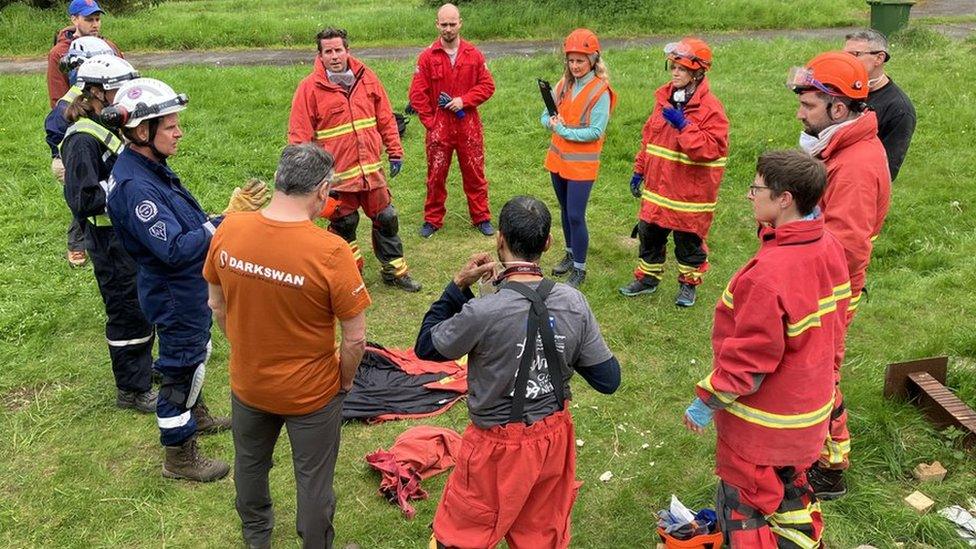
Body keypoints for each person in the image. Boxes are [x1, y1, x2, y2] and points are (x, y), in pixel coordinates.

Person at [415, 195, 621, 548]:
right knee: (541, 535)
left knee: (462, 535)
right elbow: (608, 379)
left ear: (500, 239)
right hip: (553, 439)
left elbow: (427, 346)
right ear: (548, 244)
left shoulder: (483, 311)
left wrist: (457, 286)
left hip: (496, 449)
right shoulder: (574, 302)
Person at [205, 144, 370, 549]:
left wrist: (246, 347)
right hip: (310, 394)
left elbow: (215, 302)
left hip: (249, 383)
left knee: (250, 465)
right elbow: (355, 338)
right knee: (313, 481)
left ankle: (256, 537)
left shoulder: (230, 229)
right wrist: (344, 383)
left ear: (279, 181)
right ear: (321, 190)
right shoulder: (330, 252)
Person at [684, 149, 851, 548]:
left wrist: (707, 401)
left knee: (744, 505)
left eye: (756, 188)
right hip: (809, 412)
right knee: (791, 487)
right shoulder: (828, 247)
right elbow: (837, 326)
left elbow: (751, 359)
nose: (749, 196)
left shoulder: (769, 276)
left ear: (784, 199)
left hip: (764, 426)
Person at [106, 77, 265, 482]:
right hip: (173, 290)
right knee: (181, 366)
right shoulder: (135, 187)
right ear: (143, 131)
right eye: (170, 125)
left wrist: (218, 220)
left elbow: (181, 225)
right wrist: (225, 220)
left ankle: (197, 413)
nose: (179, 132)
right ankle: (179, 454)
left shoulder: (149, 165)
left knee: (198, 352)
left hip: (186, 285)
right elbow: (174, 248)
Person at [788, 51, 891, 499]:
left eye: (808, 105)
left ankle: (830, 469)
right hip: (815, 284)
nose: (800, 112)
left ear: (838, 108)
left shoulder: (855, 166)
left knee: (819, 375)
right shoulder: (840, 147)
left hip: (826, 291)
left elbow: (843, 249)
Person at [289, 27, 421, 293]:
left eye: (339, 50)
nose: (335, 56)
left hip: (371, 171)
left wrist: (395, 150)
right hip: (336, 178)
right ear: (320, 55)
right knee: (344, 224)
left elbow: (385, 118)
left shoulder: (367, 78)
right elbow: (299, 135)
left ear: (347, 51)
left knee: (386, 217)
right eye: (329, 51)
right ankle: (349, 275)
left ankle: (394, 272)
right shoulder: (308, 89)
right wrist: (306, 174)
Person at [59, 55, 156, 412]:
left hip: (125, 234)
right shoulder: (83, 139)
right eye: (118, 89)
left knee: (142, 303)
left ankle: (143, 369)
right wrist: (124, 187)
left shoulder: (106, 125)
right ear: (96, 91)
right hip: (108, 241)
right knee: (127, 310)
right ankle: (131, 390)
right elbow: (83, 198)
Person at [619, 37, 729, 307]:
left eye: (681, 69)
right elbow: (649, 139)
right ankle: (647, 278)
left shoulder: (711, 109)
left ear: (698, 72)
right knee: (649, 234)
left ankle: (688, 284)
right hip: (658, 189)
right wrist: (639, 170)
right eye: (673, 67)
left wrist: (684, 126)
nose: (675, 73)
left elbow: (710, 150)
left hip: (688, 194)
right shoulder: (663, 99)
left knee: (688, 242)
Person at [408, 3, 496, 238]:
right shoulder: (427, 57)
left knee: (475, 172)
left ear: (460, 24)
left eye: (452, 24)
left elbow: (488, 86)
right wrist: (431, 122)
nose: (448, 29)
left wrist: (464, 100)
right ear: (437, 24)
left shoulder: (473, 54)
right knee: (436, 175)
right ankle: (433, 219)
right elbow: (417, 94)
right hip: (440, 128)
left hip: (468, 124)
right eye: (444, 24)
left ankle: (481, 217)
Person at [542, 28, 617, 289]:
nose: (575, 66)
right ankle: (571, 253)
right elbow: (546, 114)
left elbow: (596, 131)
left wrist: (561, 129)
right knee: (564, 210)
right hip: (559, 161)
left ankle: (580, 269)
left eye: (580, 61)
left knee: (575, 215)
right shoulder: (564, 84)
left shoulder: (600, 92)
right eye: (571, 60)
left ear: (593, 60)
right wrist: (549, 121)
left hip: (582, 166)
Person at [46, 36, 118, 268]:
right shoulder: (72, 110)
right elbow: (56, 131)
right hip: (69, 159)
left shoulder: (97, 106)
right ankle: (76, 244)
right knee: (83, 202)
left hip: (88, 156)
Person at [843, 29, 916, 182]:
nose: (846, 61)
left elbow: (886, 169)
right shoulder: (841, 89)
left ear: (879, 58)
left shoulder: (899, 109)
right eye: (844, 55)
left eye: (855, 55)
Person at [47, 0, 123, 108]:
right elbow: (58, 99)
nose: (95, 24)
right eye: (89, 20)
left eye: (97, 19)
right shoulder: (59, 52)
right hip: (79, 114)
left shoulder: (110, 46)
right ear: (74, 19)